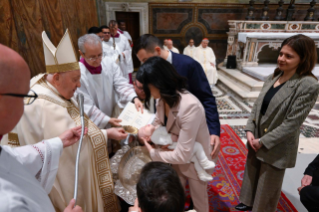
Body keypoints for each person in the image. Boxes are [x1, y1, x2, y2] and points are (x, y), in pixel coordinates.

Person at [1, 30, 122, 212]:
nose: (79, 85)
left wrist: (58, 142)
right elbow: (72, 155)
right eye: (75, 80)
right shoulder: (43, 104)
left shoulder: (47, 84)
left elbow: (17, 157)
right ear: (56, 78)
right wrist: (107, 134)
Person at [235, 34, 319, 212]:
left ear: (303, 59)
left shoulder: (307, 84)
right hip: (257, 136)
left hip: (277, 142)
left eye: (289, 56)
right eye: (281, 53)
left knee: (268, 183)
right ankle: (248, 201)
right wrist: (250, 130)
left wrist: (263, 141)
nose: (281, 58)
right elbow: (258, 106)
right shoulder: (274, 75)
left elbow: (292, 123)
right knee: (252, 172)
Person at [0, 44, 84, 212]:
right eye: (24, 96)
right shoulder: (8, 203)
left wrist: (57, 142)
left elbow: (11, 159)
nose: (26, 104)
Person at [137, 57, 214, 212]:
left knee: (199, 204)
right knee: (172, 200)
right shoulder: (161, 99)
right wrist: (150, 132)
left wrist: (153, 153)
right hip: (175, 155)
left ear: (157, 83)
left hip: (195, 160)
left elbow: (183, 155)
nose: (145, 90)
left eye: (147, 85)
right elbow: (159, 122)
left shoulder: (189, 106)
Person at [134, 34, 220, 159]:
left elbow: (206, 98)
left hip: (188, 128)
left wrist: (214, 130)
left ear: (158, 50)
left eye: (145, 61)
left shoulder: (188, 65)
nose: (144, 66)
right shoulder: (154, 71)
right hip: (167, 131)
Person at [76, 34, 143, 130]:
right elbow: (85, 104)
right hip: (92, 122)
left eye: (100, 55)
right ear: (82, 54)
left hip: (111, 112)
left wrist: (134, 98)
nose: (98, 60)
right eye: (92, 57)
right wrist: (106, 119)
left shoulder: (109, 63)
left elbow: (121, 83)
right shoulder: (78, 74)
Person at [139, 125, 216, 181]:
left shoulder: (156, 130)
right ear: (147, 138)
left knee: (195, 159)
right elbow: (165, 139)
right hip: (178, 147)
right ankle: (204, 162)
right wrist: (172, 138)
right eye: (143, 129)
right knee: (197, 146)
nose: (145, 126)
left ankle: (201, 173)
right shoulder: (154, 137)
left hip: (179, 147)